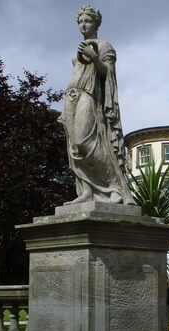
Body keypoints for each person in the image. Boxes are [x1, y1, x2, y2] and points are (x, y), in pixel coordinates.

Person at [60, 5, 134, 205]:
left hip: (90, 95)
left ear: (96, 23)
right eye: (81, 21)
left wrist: (93, 57)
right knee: (75, 147)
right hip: (71, 97)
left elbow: (107, 74)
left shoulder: (104, 47)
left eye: (88, 21)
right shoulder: (76, 54)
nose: (84, 25)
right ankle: (87, 190)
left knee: (86, 141)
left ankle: (114, 186)